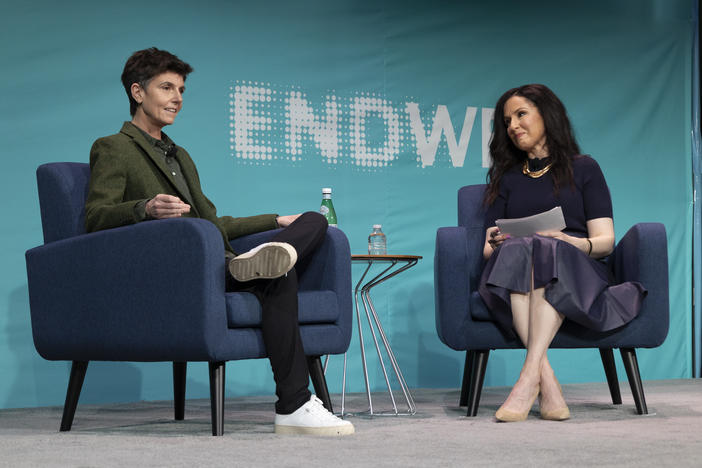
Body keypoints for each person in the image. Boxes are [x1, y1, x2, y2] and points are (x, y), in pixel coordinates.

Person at [85, 47, 354, 436]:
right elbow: (95, 217)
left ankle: (275, 255)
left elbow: (212, 221)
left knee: (311, 222)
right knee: (277, 276)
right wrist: (145, 207)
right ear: (138, 92)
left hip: (219, 258)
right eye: (166, 87)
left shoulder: (181, 156)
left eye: (181, 89)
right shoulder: (114, 147)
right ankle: (294, 404)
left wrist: (275, 221)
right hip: (183, 268)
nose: (177, 97)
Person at [479, 84, 646, 422]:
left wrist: (572, 242)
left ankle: (528, 380)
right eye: (507, 120)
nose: (512, 125)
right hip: (515, 272)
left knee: (545, 248)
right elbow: (486, 249)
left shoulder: (584, 168)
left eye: (520, 114)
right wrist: (496, 243)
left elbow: (605, 241)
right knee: (523, 248)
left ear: (547, 115)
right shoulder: (506, 178)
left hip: (578, 270)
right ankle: (546, 381)